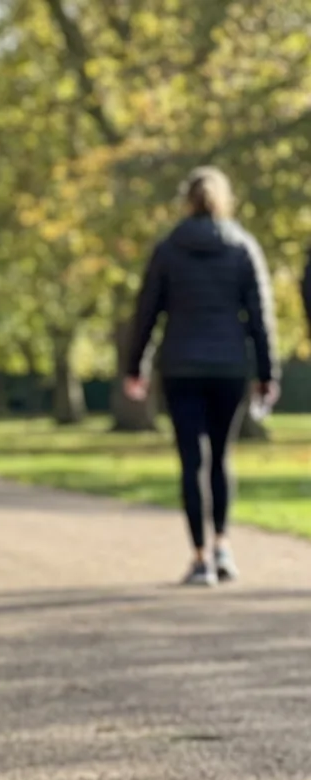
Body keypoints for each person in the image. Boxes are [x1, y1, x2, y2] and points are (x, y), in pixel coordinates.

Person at [125, 166, 279, 586]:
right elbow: (260, 317)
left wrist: (133, 365)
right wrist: (268, 373)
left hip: (180, 365)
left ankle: (198, 558)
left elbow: (146, 312)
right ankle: (223, 545)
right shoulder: (243, 247)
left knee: (191, 461)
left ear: (186, 201)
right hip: (228, 365)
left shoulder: (169, 248)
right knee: (221, 458)